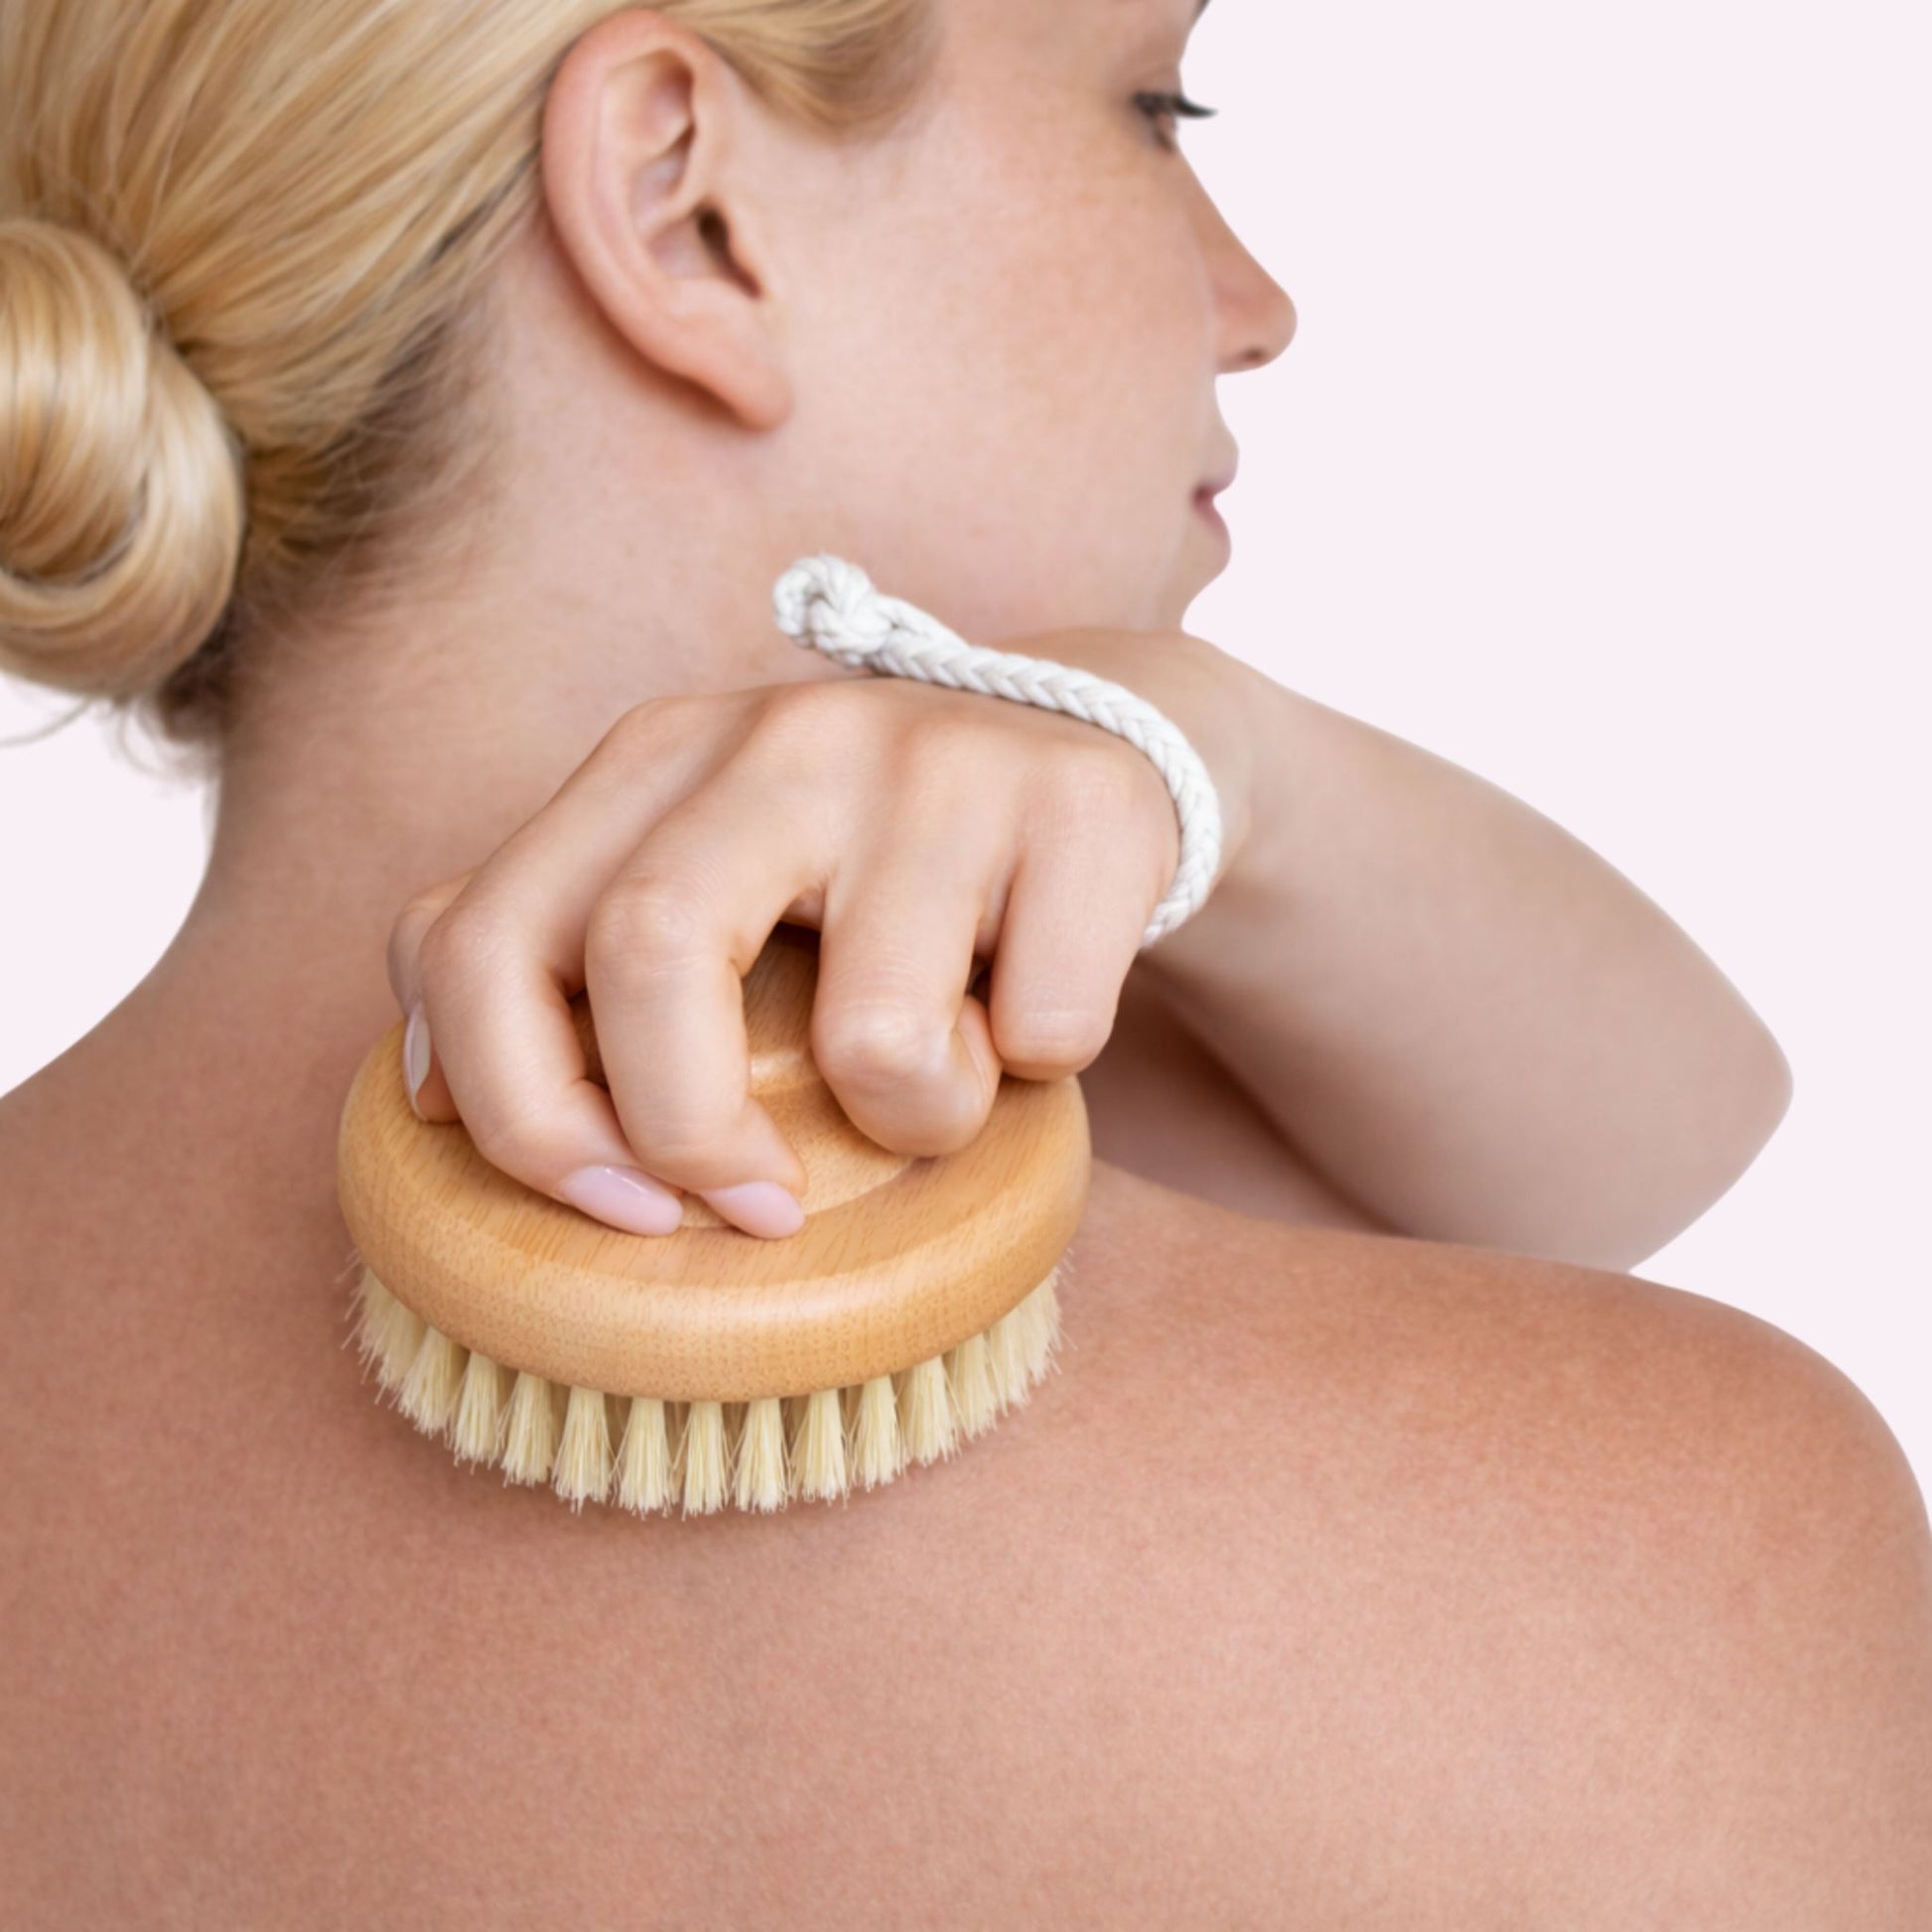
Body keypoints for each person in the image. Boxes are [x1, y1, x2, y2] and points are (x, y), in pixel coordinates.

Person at [2, 0, 1927, 1921]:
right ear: (684, 211)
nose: (1259, 305)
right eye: (1156, 106)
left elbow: (1667, 1121)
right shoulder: (1661, 1570)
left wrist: (1208, 756)